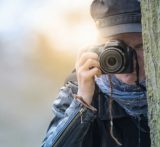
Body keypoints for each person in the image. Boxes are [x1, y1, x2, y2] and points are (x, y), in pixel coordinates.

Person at [41, 0, 151, 147]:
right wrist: (82, 104)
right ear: (99, 47)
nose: (129, 57)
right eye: (119, 48)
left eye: (141, 46)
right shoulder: (79, 89)